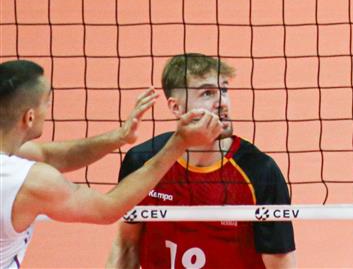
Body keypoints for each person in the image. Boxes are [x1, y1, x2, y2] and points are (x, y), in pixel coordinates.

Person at [0, 59, 221, 269]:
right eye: (46, 102)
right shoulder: (31, 182)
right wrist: (179, 143)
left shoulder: (14, 157)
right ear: (29, 117)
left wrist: (119, 136)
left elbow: (49, 155)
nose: (49, 108)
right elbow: (109, 208)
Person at [107, 53, 296, 269]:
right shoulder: (142, 162)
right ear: (176, 107)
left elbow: (281, 264)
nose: (222, 103)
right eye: (207, 93)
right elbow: (126, 244)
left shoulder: (259, 172)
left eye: (224, 90)